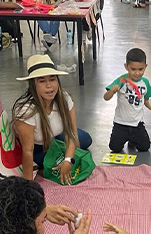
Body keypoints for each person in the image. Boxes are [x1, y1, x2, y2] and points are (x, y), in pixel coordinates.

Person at [13, 55, 92, 184]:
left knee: (85, 139)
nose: (49, 85)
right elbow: (27, 151)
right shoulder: (26, 109)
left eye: (52, 79)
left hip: (56, 138)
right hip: (38, 148)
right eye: (42, 81)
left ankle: (56, 159)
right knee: (49, 162)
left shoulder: (64, 98)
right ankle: (39, 167)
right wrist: (28, 186)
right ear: (33, 84)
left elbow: (71, 133)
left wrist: (68, 160)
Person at [105, 48, 151, 152]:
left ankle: (132, 139)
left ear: (145, 67)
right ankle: (127, 138)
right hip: (120, 123)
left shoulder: (145, 83)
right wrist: (111, 91)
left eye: (140, 69)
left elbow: (146, 101)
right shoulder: (122, 80)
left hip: (137, 124)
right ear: (126, 67)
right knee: (114, 148)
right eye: (133, 69)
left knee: (145, 147)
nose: (137, 73)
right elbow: (106, 97)